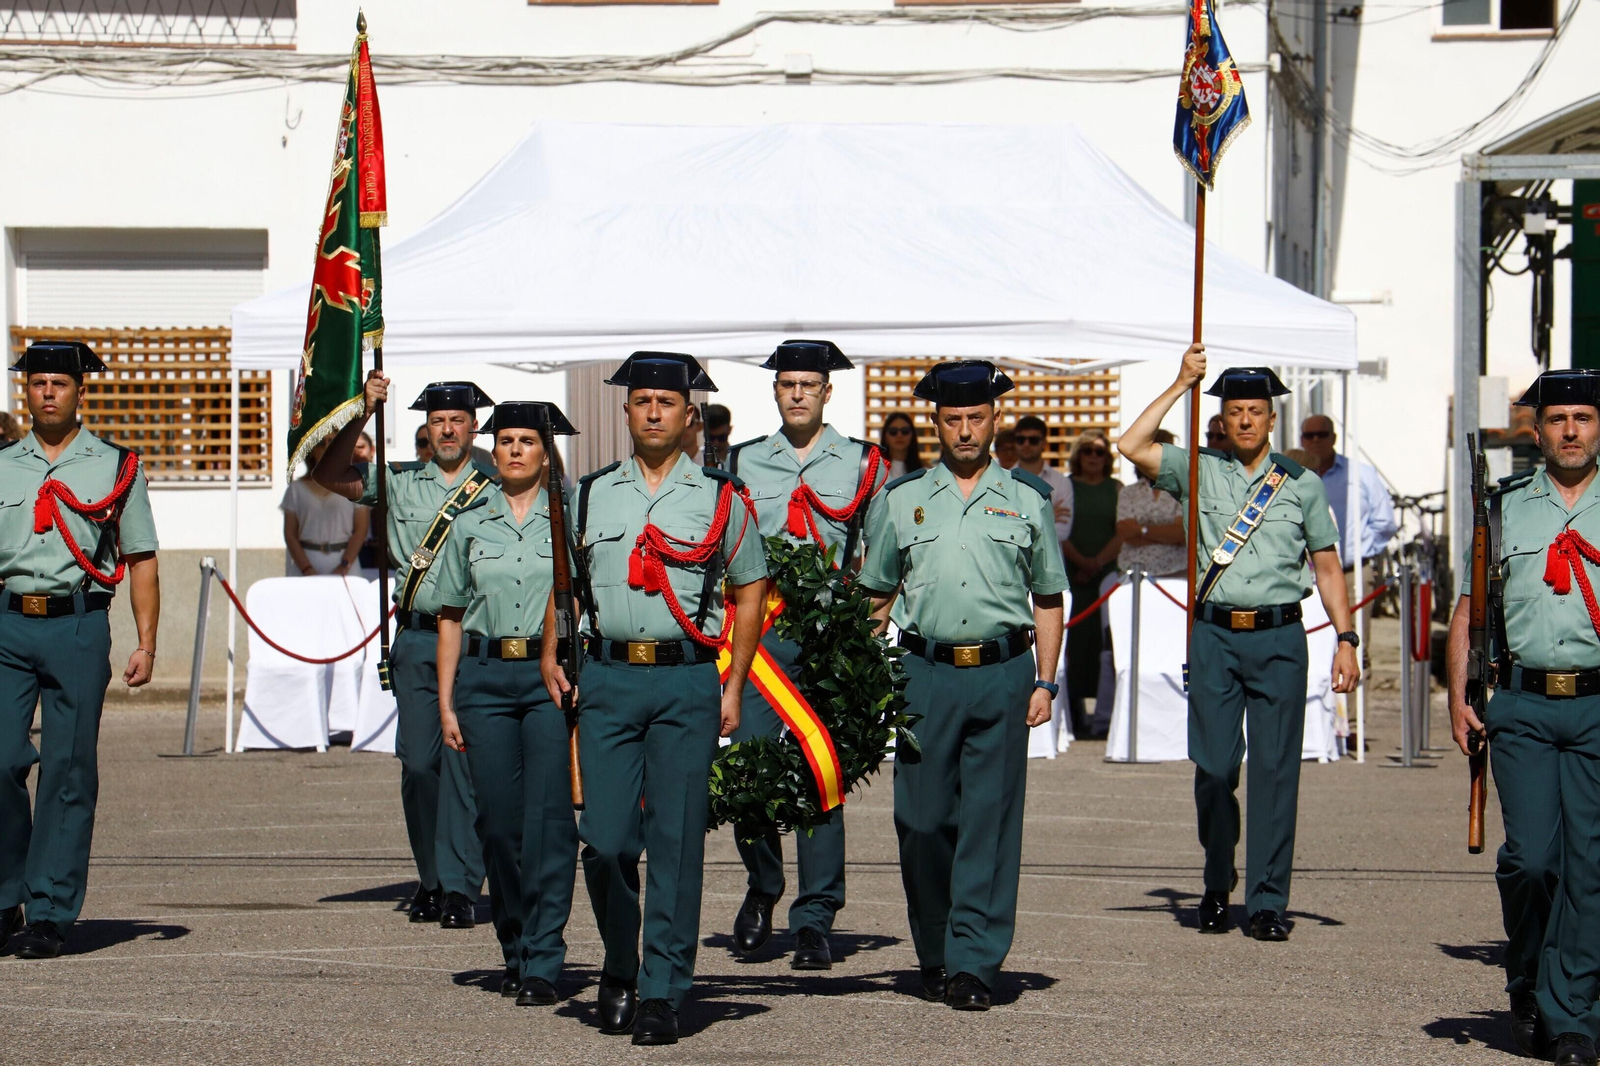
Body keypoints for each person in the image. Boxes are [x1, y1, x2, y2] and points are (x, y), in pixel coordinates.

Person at [546, 352, 766, 1046]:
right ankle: (619, 961)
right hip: (609, 678)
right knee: (606, 841)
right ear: (626, 411)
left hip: (684, 678)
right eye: (641, 400)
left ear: (688, 415)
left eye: (666, 402)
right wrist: (558, 651)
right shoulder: (587, 494)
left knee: (674, 844)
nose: (652, 412)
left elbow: (750, 587)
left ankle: (664, 989)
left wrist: (732, 682)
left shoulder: (721, 498)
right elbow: (569, 586)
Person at [1118, 348, 1358, 943]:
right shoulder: (1198, 470)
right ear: (1221, 420)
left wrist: (1346, 638)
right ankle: (1217, 874)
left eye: (1255, 411)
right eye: (1235, 412)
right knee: (1216, 767)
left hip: (1280, 635)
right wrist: (1181, 382)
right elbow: (1131, 443)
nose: (1246, 421)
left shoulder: (1300, 485)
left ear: (1271, 419)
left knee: (1277, 773)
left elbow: (1327, 566)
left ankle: (1269, 899)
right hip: (1217, 637)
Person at [859, 360, 1066, 1011]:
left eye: (976, 418)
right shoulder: (902, 498)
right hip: (923, 673)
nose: (966, 430)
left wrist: (1047, 681)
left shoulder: (1027, 498)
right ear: (937, 423)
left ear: (994, 420)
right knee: (921, 822)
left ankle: (974, 960)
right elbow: (875, 594)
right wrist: (869, 678)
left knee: (989, 822)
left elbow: (1049, 596)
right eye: (953, 419)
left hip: (1004, 673)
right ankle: (935, 948)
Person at [1447, 369, 1600, 1066]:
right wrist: (1458, 697)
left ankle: (1574, 1018)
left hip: (1598, 703)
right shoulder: (1504, 508)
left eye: (1584, 418)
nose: (1570, 430)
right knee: (1533, 861)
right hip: (1526, 704)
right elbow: (1469, 611)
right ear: (1537, 431)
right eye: (1558, 418)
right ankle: (1528, 976)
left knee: (1588, 866)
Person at [724, 339, 887, 971]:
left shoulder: (863, 464)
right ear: (775, 391)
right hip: (758, 638)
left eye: (808, 385)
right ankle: (764, 884)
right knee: (749, 773)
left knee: (823, 775)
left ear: (827, 392)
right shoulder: (742, 461)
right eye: (786, 383)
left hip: (830, 642)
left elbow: (882, 554)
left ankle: (816, 917)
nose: (796, 393)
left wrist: (869, 631)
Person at [317, 378, 498, 930]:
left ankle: (462, 885)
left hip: (475, 640)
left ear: (473, 426)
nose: (448, 428)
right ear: (427, 429)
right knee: (420, 765)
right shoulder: (397, 482)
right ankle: (431, 874)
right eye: (438, 420)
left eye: (458, 419)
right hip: (418, 638)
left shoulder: (496, 485)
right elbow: (326, 476)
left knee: (464, 765)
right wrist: (360, 413)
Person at [0, 341, 160, 959]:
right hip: (8, 622)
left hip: (77, 624)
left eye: (58, 384)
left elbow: (141, 557)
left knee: (67, 771)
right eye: (37, 383)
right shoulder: (4, 464)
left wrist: (147, 642)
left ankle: (49, 910)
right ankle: (2, 894)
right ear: (27, 392)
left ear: (78, 391)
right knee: (1, 760)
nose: (47, 393)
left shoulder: (116, 466)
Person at [435, 401, 580, 1007]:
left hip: (549, 682)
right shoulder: (468, 522)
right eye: (506, 440)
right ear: (492, 452)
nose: (516, 449)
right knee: (497, 824)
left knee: (548, 822)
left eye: (527, 441)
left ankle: (545, 955)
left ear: (546, 455)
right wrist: (446, 704)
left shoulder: (571, 519)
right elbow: (447, 614)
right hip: (485, 679)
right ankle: (513, 944)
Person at [1300, 413, 1397, 688]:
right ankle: (1325, 721)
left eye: (1322, 434)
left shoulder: (1361, 474)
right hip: (1306, 574)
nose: (1316, 440)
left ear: (1334, 438)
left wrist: (1359, 552)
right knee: (1315, 646)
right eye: (1310, 435)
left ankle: (1352, 725)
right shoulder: (1294, 476)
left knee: (1353, 645)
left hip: (1352, 571)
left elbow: (1385, 522)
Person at [1061, 429, 1121, 737]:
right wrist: (1081, 562)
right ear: (1078, 456)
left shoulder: (1116, 488)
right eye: (1088, 451)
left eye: (1100, 452)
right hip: (1073, 575)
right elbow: (1058, 527)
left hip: (1106, 579)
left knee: (1106, 645)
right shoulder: (1067, 486)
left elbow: (1121, 531)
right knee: (1072, 647)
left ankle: (1103, 716)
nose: (1094, 457)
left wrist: (1096, 563)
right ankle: (1073, 715)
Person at [281, 440, 368, 577]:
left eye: (333, 442)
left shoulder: (354, 485)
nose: (328, 447)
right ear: (312, 451)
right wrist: (307, 569)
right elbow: (290, 534)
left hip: (346, 566)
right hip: (305, 566)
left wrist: (345, 565)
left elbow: (361, 529)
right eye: (321, 443)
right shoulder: (295, 490)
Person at [1116, 428, 1186, 578]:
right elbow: (1125, 531)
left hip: (1176, 572)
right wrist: (1165, 534)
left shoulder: (1183, 491)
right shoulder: (1129, 492)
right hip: (1133, 573)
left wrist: (1141, 530)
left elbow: (1181, 533)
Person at [881, 412, 925, 479]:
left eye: (905, 431)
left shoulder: (925, 471)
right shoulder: (877, 469)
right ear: (885, 436)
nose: (899, 435)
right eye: (893, 431)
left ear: (912, 435)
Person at [702, 403, 732, 468]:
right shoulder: (694, 461)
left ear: (729, 429)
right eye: (711, 438)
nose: (716, 443)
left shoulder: (738, 459)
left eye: (721, 437)